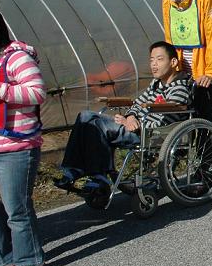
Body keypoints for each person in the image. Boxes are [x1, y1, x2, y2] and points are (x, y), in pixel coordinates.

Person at [56, 41, 193, 189]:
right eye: (151, 60)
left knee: (96, 125)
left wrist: (136, 125)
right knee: (85, 116)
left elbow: (165, 121)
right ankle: (73, 169)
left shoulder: (179, 88)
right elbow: (136, 103)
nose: (154, 64)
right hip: (136, 126)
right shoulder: (156, 84)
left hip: (150, 133)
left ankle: (98, 175)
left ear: (173, 62)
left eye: (159, 59)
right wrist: (130, 117)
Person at [0, 7, 46, 266]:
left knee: (16, 208)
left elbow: (38, 92)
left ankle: (30, 260)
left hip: (16, 148)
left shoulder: (17, 59)